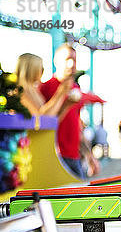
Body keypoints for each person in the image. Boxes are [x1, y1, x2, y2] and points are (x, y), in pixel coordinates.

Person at [39, 44, 104, 179]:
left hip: (74, 156)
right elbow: (43, 123)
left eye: (74, 60)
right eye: (67, 59)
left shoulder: (75, 88)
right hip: (56, 157)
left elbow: (77, 126)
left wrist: (90, 156)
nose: (71, 64)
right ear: (56, 61)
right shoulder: (45, 88)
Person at [15, 52, 73, 117]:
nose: (42, 71)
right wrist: (60, 93)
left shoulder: (34, 91)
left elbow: (50, 121)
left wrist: (66, 106)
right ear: (32, 70)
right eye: (40, 67)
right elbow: (41, 119)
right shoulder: (21, 92)